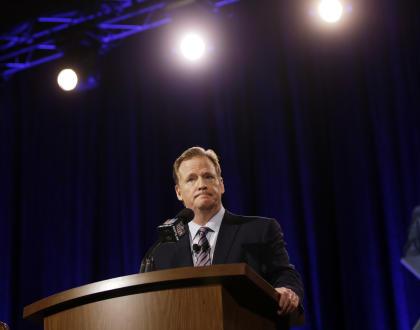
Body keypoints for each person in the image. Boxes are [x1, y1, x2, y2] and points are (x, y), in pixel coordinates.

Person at [152, 146, 304, 316]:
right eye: (191, 179)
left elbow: (284, 273)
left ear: (221, 184)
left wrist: (286, 290)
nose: (201, 185)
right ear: (179, 192)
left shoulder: (260, 230)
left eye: (208, 176)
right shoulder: (163, 251)